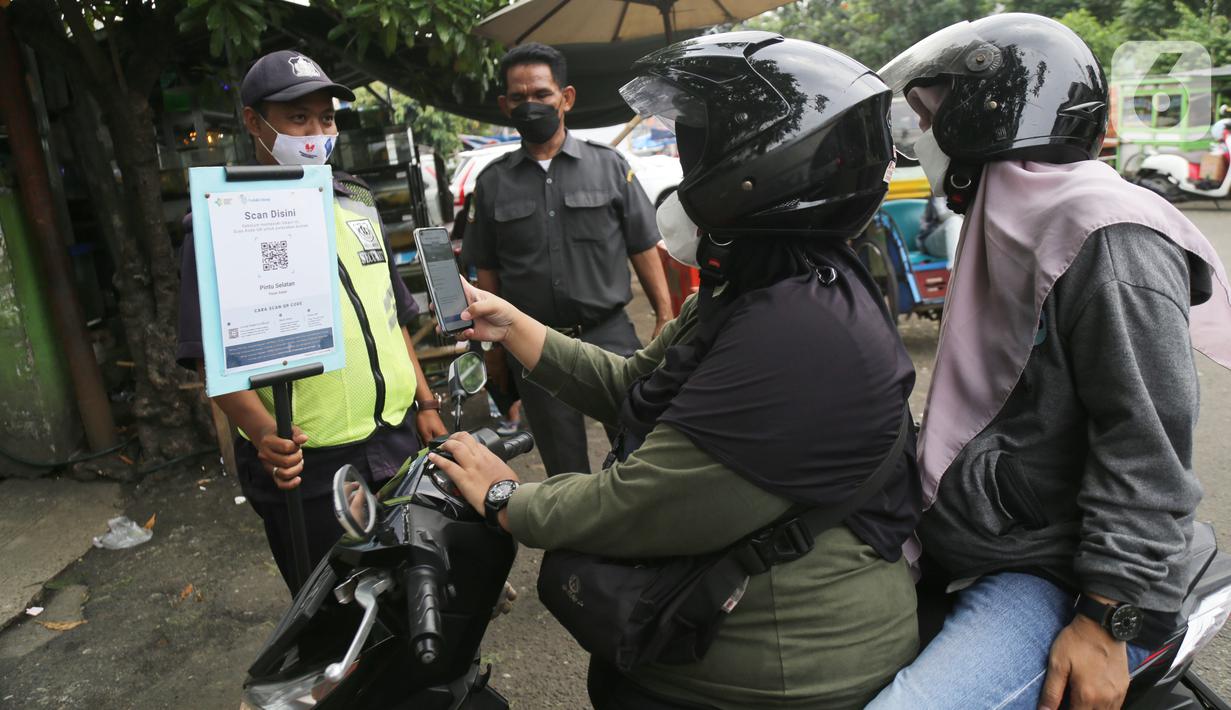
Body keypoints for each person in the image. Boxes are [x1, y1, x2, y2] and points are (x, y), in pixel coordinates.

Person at [433, 32, 923, 709]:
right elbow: (633, 387)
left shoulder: (795, 332)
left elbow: (641, 502)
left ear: (763, 164)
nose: (688, 166)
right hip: (725, 624)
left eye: (697, 142)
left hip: (785, 669)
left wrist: (508, 501)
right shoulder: (758, 285)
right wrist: (512, 325)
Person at [867, 14, 1231, 710]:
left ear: (987, 114)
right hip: (988, 539)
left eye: (932, 112)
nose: (922, 134)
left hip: (1061, 573)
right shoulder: (1011, 218)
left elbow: (1147, 449)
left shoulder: (1103, 237)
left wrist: (1104, 620)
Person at [176, 50, 448, 592]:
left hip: (395, 442)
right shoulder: (223, 214)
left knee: (419, 588)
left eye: (325, 118)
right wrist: (261, 432)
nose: (316, 131)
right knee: (340, 612)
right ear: (254, 122)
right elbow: (212, 355)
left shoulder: (356, 199)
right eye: (298, 118)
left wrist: (425, 403)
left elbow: (392, 316)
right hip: (310, 463)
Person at [461, 42, 673, 477]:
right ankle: (584, 547)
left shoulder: (610, 167)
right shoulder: (493, 183)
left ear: (566, 97)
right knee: (565, 468)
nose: (530, 105)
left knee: (638, 453)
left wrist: (665, 315)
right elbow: (488, 272)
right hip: (535, 343)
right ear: (505, 105)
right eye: (518, 98)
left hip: (611, 337)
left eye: (541, 94)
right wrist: (495, 352)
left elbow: (643, 246)